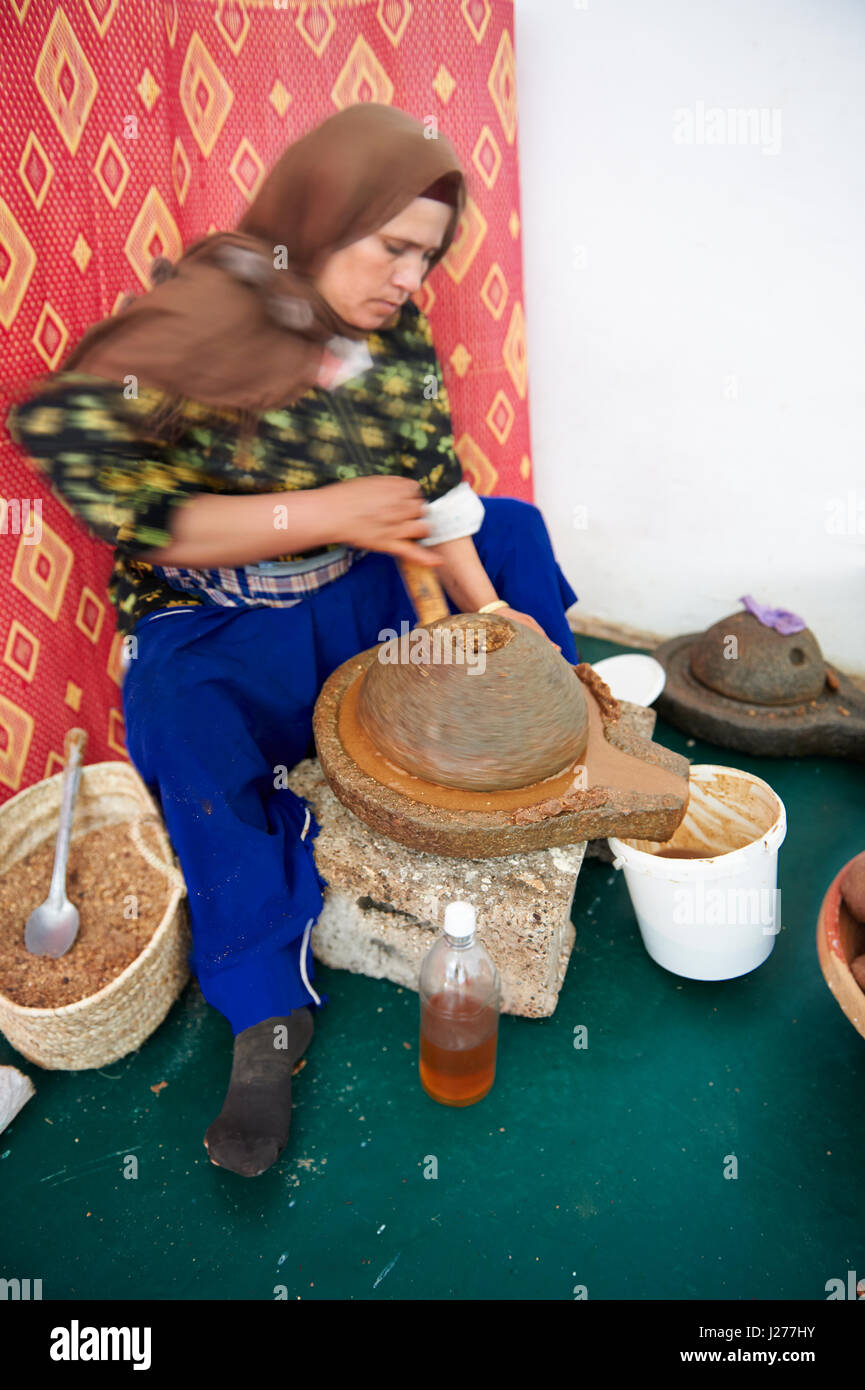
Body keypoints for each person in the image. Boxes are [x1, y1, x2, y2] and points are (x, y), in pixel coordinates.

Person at [8, 104, 580, 1177]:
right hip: (227, 625)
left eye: (426, 256)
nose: (410, 277)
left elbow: (432, 490)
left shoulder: (393, 337)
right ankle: (266, 1009)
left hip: (354, 598)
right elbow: (86, 469)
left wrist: (487, 621)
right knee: (177, 715)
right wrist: (321, 512)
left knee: (512, 531)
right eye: (392, 247)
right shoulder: (201, 324)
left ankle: (565, 745)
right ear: (318, 222)